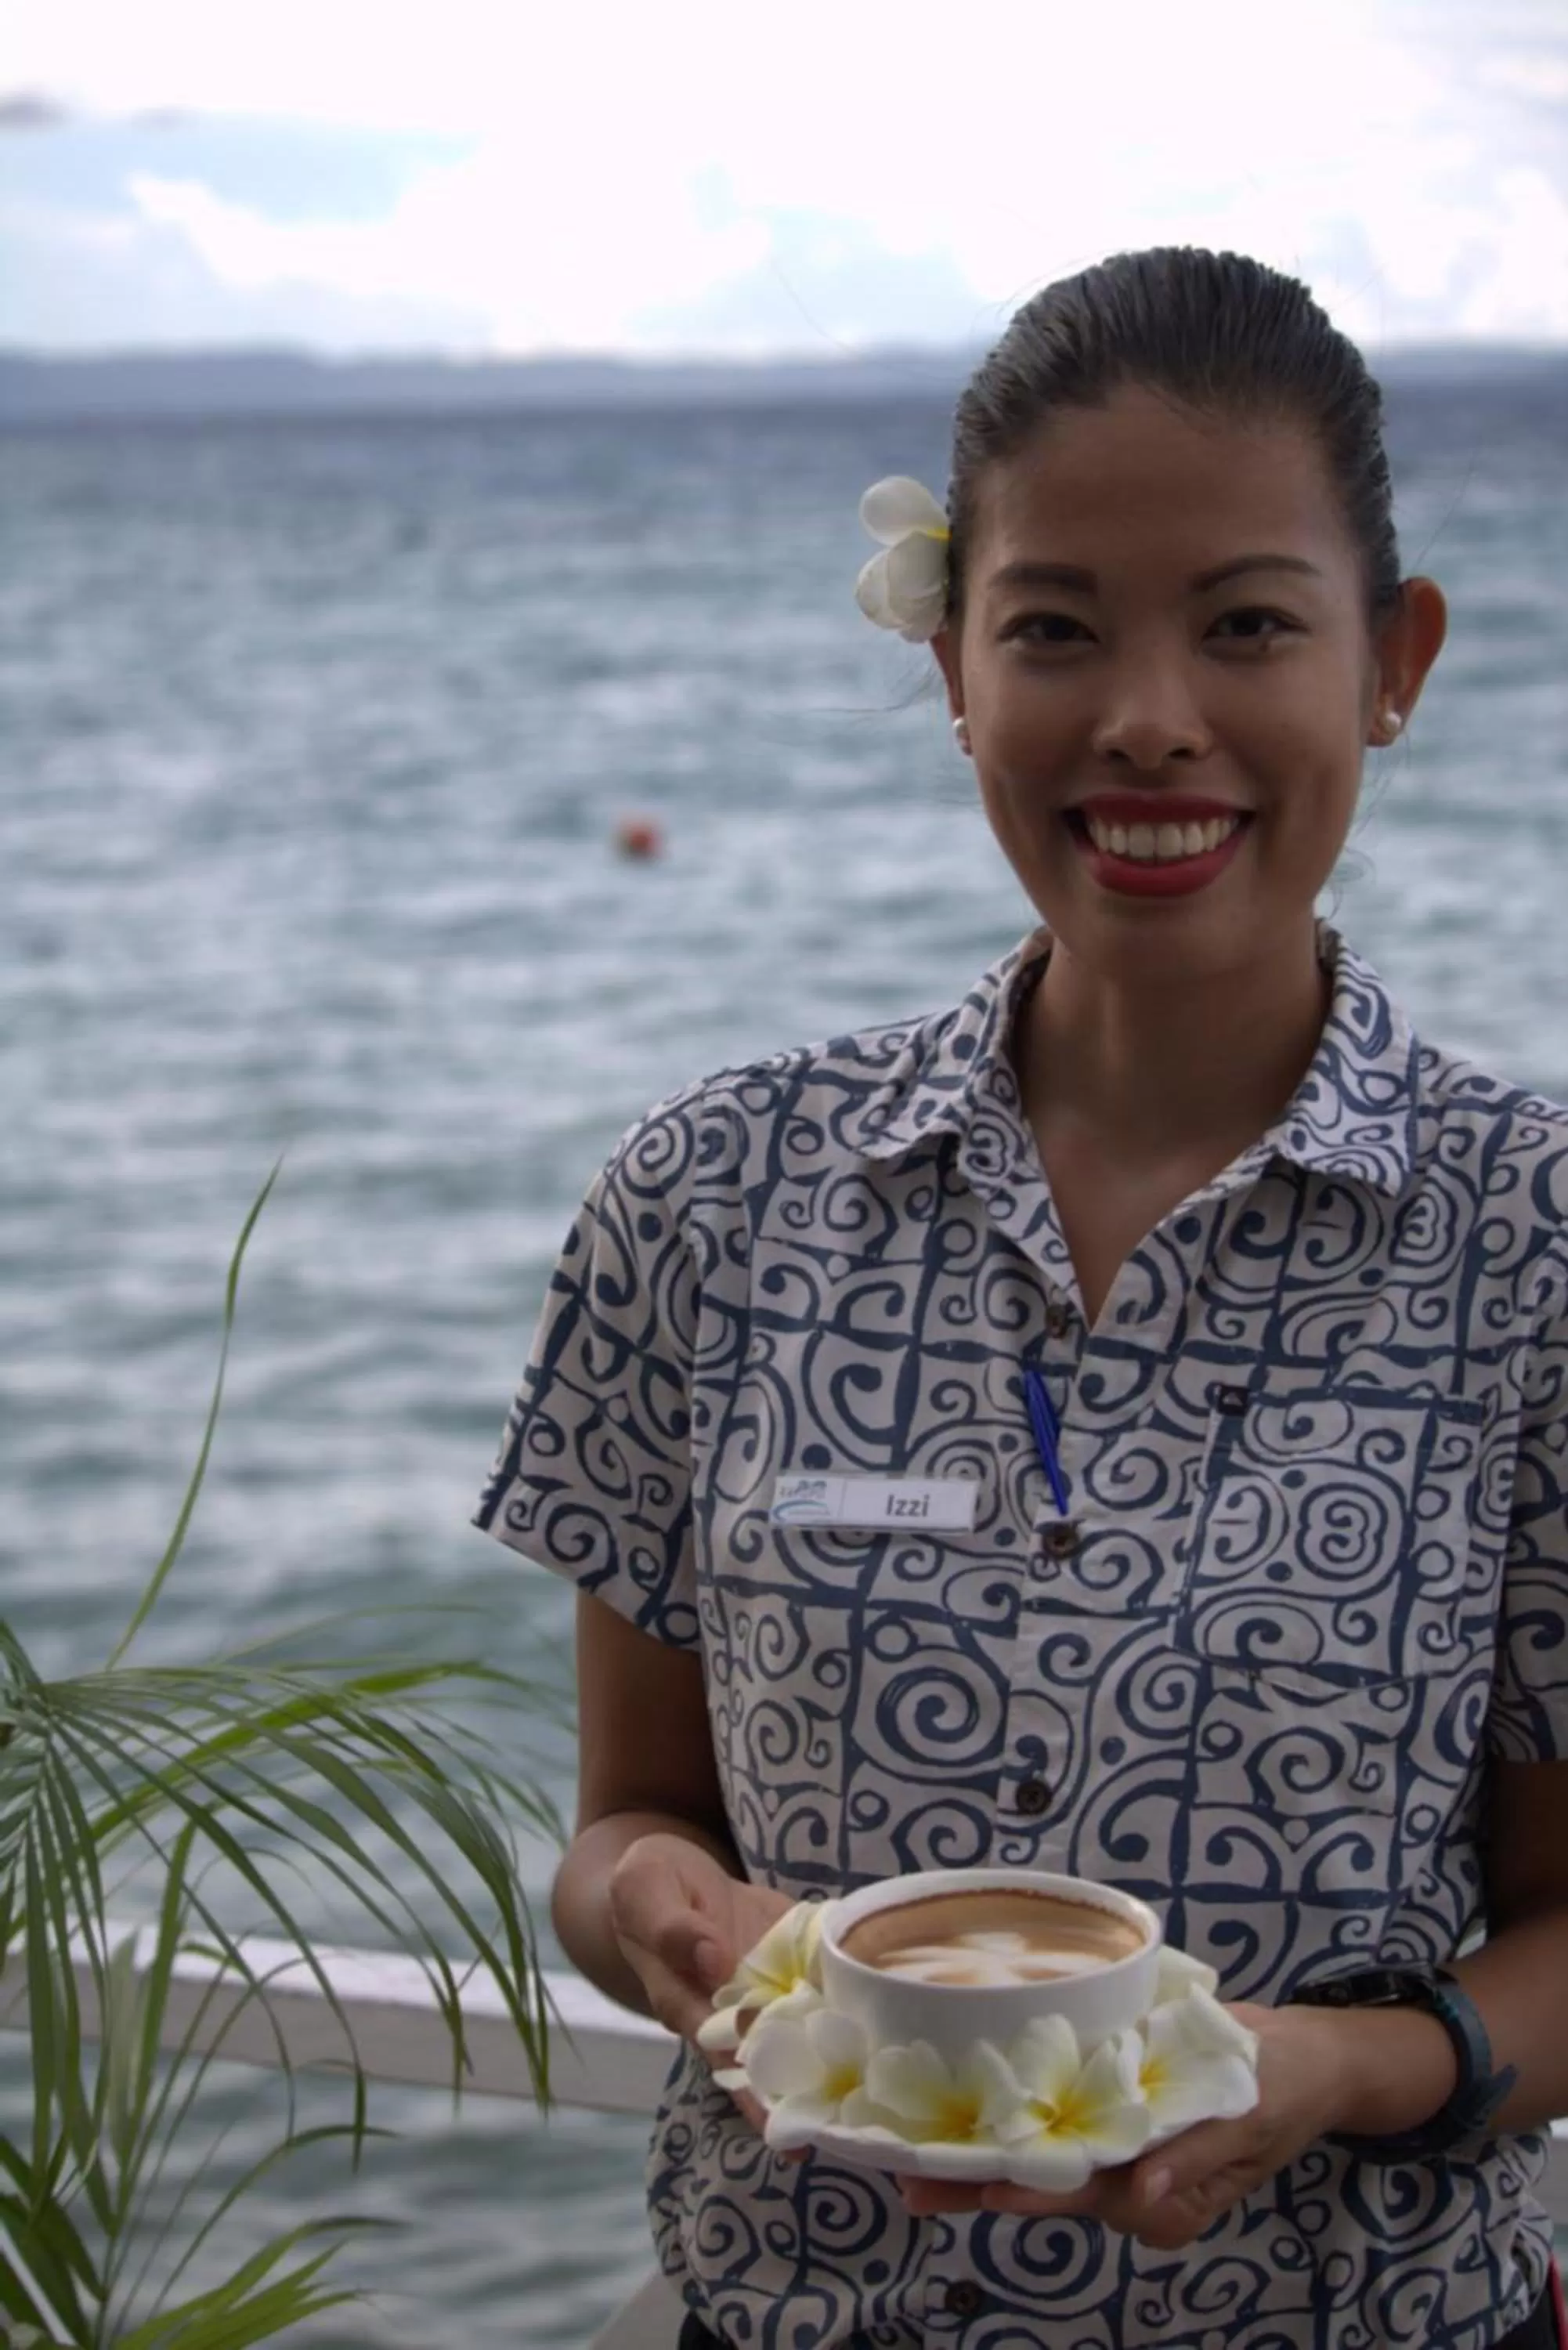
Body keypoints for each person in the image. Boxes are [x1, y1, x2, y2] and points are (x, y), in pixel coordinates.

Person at [475, 248, 1568, 2348]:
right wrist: (654, 1913)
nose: (1150, 715)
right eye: (1056, 629)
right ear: (959, 671)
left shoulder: (1530, 1245)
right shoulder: (715, 1197)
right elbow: (628, 1822)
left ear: (1393, 661)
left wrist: (1355, 2063)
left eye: (1248, 623)